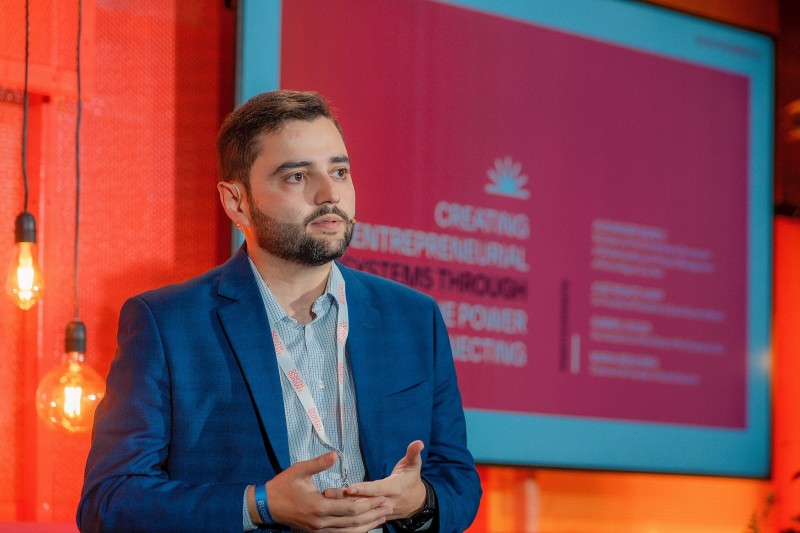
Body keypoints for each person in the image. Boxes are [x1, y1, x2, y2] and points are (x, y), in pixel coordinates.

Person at [77, 90, 481, 533]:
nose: (329, 194)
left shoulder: (413, 318)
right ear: (237, 202)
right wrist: (260, 505)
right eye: (297, 177)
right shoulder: (167, 325)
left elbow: (457, 481)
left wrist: (418, 500)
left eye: (339, 171)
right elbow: (110, 501)